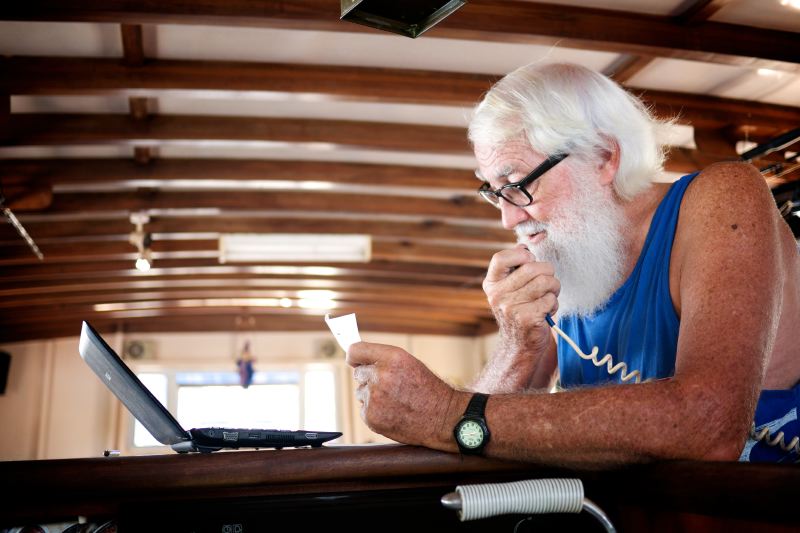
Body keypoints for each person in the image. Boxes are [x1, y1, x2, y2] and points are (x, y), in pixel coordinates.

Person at [346, 62, 800, 466]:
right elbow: (480, 443)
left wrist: (443, 412)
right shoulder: (572, 256)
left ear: (603, 157)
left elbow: (709, 424)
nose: (508, 219)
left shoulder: (724, 198)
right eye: (494, 192)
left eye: (517, 184)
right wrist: (515, 345)